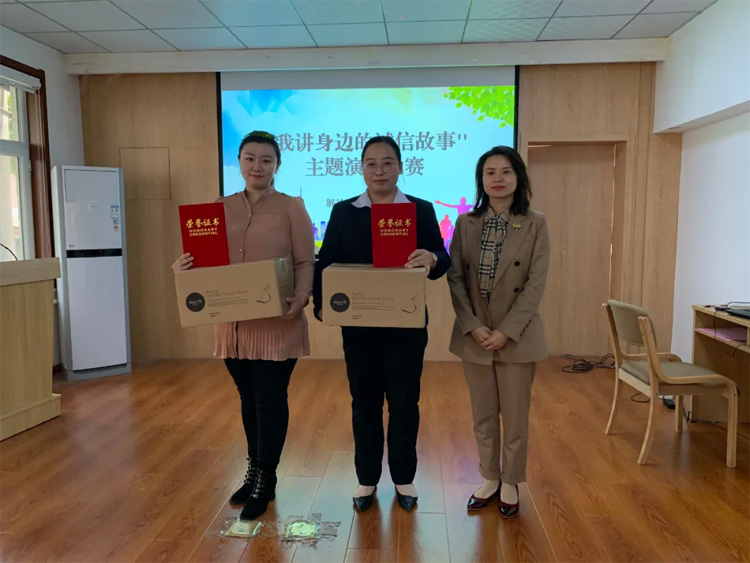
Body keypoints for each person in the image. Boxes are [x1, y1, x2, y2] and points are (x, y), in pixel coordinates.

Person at [171, 131, 315, 521]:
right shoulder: (217, 209)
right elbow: (205, 264)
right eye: (250, 158)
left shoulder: (291, 207)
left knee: (269, 399)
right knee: (248, 398)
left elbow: (306, 261)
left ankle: (266, 478)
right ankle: (253, 470)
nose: (257, 166)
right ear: (239, 162)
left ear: (277, 165)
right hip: (232, 325)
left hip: (277, 323)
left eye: (266, 160)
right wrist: (184, 270)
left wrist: (302, 297)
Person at [312, 136, 450, 512]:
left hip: (406, 326)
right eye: (371, 163)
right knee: (365, 403)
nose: (379, 170)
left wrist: (432, 259)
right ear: (361, 169)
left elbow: (441, 256)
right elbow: (326, 262)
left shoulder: (420, 210)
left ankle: (404, 477)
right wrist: (322, 304)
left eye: (387, 163)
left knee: (405, 402)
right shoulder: (344, 211)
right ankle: (367, 479)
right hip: (359, 328)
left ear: (400, 167)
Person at [446, 146, 550, 519]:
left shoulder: (535, 222)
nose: (498, 179)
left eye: (506, 171)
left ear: (518, 177)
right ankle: (490, 477)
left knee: (516, 416)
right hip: (475, 334)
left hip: (517, 335)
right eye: (490, 172)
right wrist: (473, 326)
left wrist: (506, 331)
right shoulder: (466, 223)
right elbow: (455, 278)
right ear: (481, 180)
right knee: (483, 415)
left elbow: (535, 284)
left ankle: (511, 481)